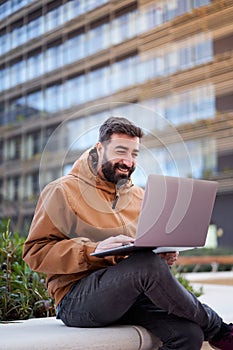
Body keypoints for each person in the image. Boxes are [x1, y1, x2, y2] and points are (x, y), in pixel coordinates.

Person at [23, 116, 232, 350]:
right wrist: (93, 250)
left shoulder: (140, 196)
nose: (128, 161)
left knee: (189, 335)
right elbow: (35, 253)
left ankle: (216, 331)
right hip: (75, 299)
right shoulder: (62, 190)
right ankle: (221, 330)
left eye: (134, 154)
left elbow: (140, 257)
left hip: (129, 297)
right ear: (99, 148)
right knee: (146, 266)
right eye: (121, 151)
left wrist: (162, 254)